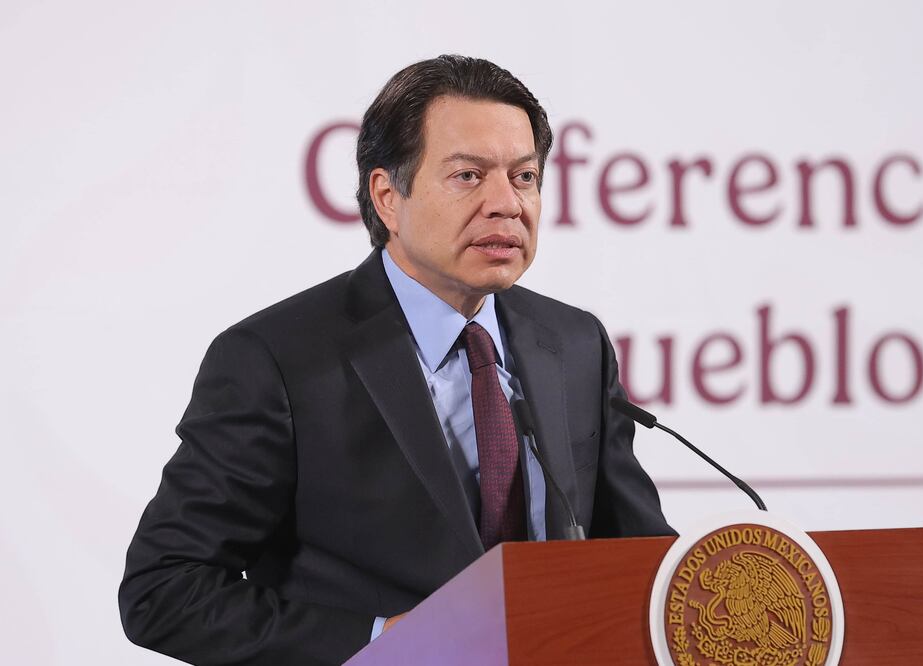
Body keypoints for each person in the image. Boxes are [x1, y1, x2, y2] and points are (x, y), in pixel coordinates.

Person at [119, 54, 675, 666]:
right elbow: (165, 589)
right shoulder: (276, 360)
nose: (506, 204)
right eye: (469, 176)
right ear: (387, 195)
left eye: (524, 177)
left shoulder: (573, 342)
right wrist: (389, 641)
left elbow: (638, 558)